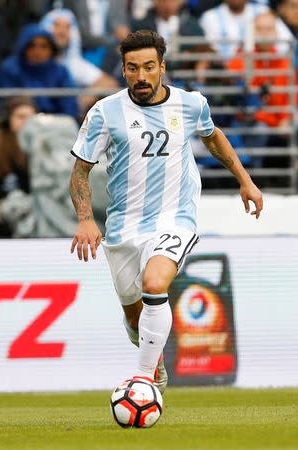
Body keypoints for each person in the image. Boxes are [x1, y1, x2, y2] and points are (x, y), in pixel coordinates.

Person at [69, 30, 263, 393]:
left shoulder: (191, 104)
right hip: (123, 227)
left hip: (175, 217)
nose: (141, 76)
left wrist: (245, 180)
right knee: (134, 319)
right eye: (132, 68)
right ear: (123, 70)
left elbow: (213, 136)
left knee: (155, 284)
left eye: (148, 67)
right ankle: (149, 356)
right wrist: (85, 219)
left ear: (162, 67)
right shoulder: (105, 112)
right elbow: (80, 171)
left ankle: (144, 379)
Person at [0, 24, 79, 119]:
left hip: (55, 125)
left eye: (44, 46)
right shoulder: (10, 70)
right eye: (31, 45)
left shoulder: (60, 72)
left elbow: (69, 108)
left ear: (52, 49)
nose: (37, 51)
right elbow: (5, 106)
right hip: (19, 124)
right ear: (23, 48)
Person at [0, 96, 36, 237]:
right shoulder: (0, 144)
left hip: (31, 212)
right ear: (9, 120)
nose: (26, 122)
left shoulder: (43, 145)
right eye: (21, 117)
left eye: (31, 118)